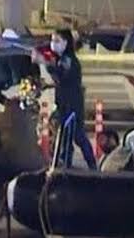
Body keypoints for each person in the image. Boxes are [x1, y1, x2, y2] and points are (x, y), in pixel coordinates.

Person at [42, 29, 97, 170]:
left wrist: (48, 66)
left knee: (72, 135)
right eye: (52, 40)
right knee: (72, 136)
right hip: (68, 103)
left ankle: (76, 165)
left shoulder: (68, 59)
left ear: (66, 43)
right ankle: (79, 164)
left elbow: (61, 77)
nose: (53, 44)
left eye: (57, 41)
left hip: (71, 105)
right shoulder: (63, 59)